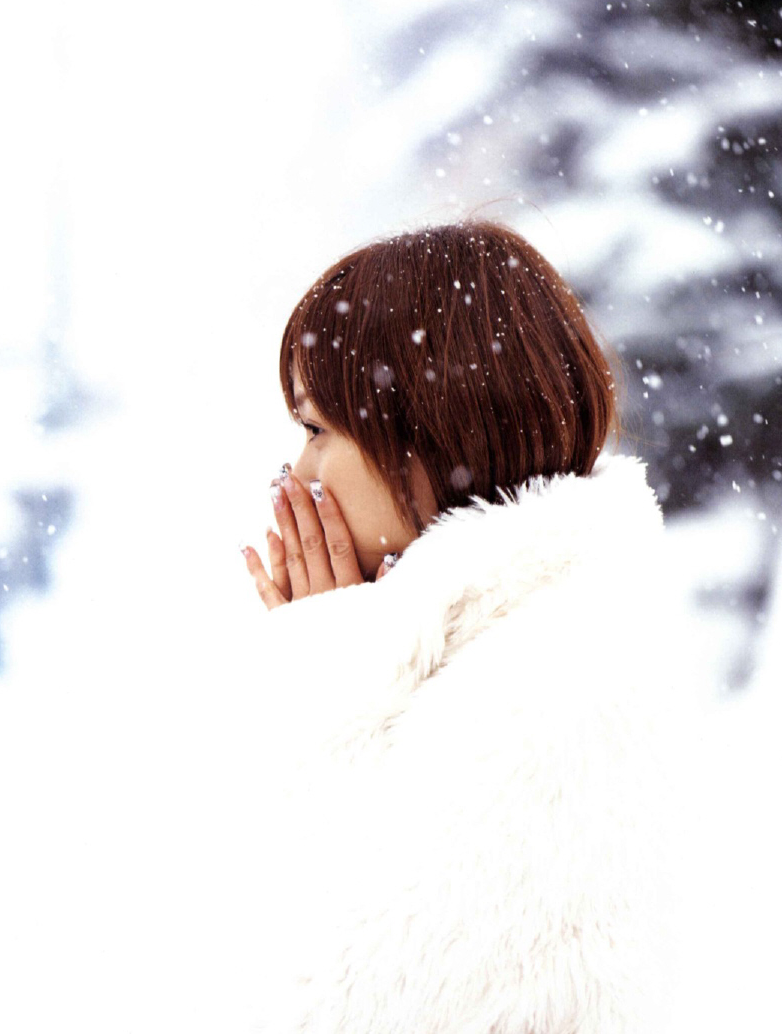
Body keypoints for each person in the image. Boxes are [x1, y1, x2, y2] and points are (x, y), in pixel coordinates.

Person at [213, 217, 693, 1034]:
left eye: (317, 429)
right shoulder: (534, 625)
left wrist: (323, 671)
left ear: (434, 429)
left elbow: (328, 999)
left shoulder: (550, 682)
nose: (298, 472)